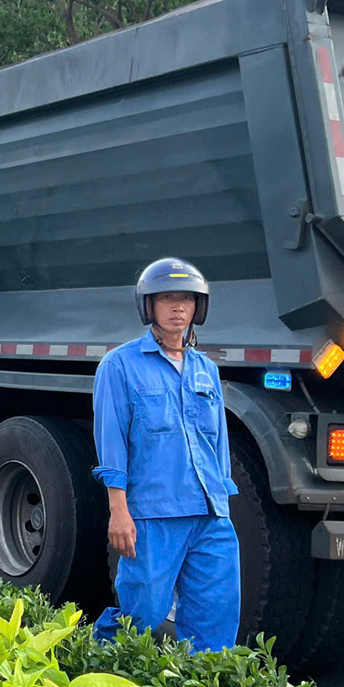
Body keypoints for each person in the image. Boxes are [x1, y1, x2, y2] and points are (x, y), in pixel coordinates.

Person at [91, 257, 242, 650]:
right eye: (167, 298)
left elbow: (219, 445)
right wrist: (119, 511)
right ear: (149, 306)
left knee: (216, 618)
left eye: (187, 299)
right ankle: (95, 668)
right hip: (153, 514)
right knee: (141, 614)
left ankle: (205, 684)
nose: (178, 307)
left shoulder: (206, 370)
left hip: (210, 517)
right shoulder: (119, 365)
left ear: (198, 307)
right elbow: (111, 443)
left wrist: (223, 507)